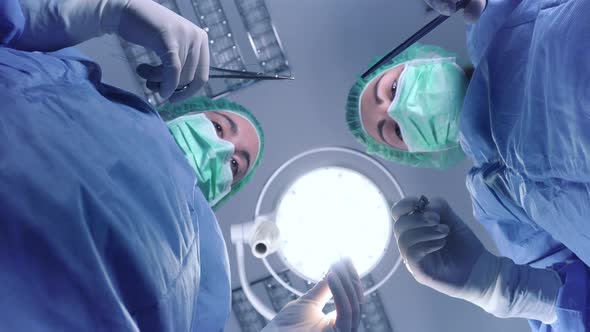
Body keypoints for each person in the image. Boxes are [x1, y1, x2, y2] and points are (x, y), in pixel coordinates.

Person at [0, 0, 363, 331]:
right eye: (220, 127)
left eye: (236, 165)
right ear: (179, 115)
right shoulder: (83, 81)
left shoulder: (208, 278)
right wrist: (104, 9)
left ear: (222, 194)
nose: (222, 149)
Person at [345, 0, 590, 330]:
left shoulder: (507, 14)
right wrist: (501, 287)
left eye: (390, 89)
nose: (399, 110)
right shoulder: (497, 198)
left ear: (419, 59)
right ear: (419, 154)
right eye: (396, 130)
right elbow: (573, 308)